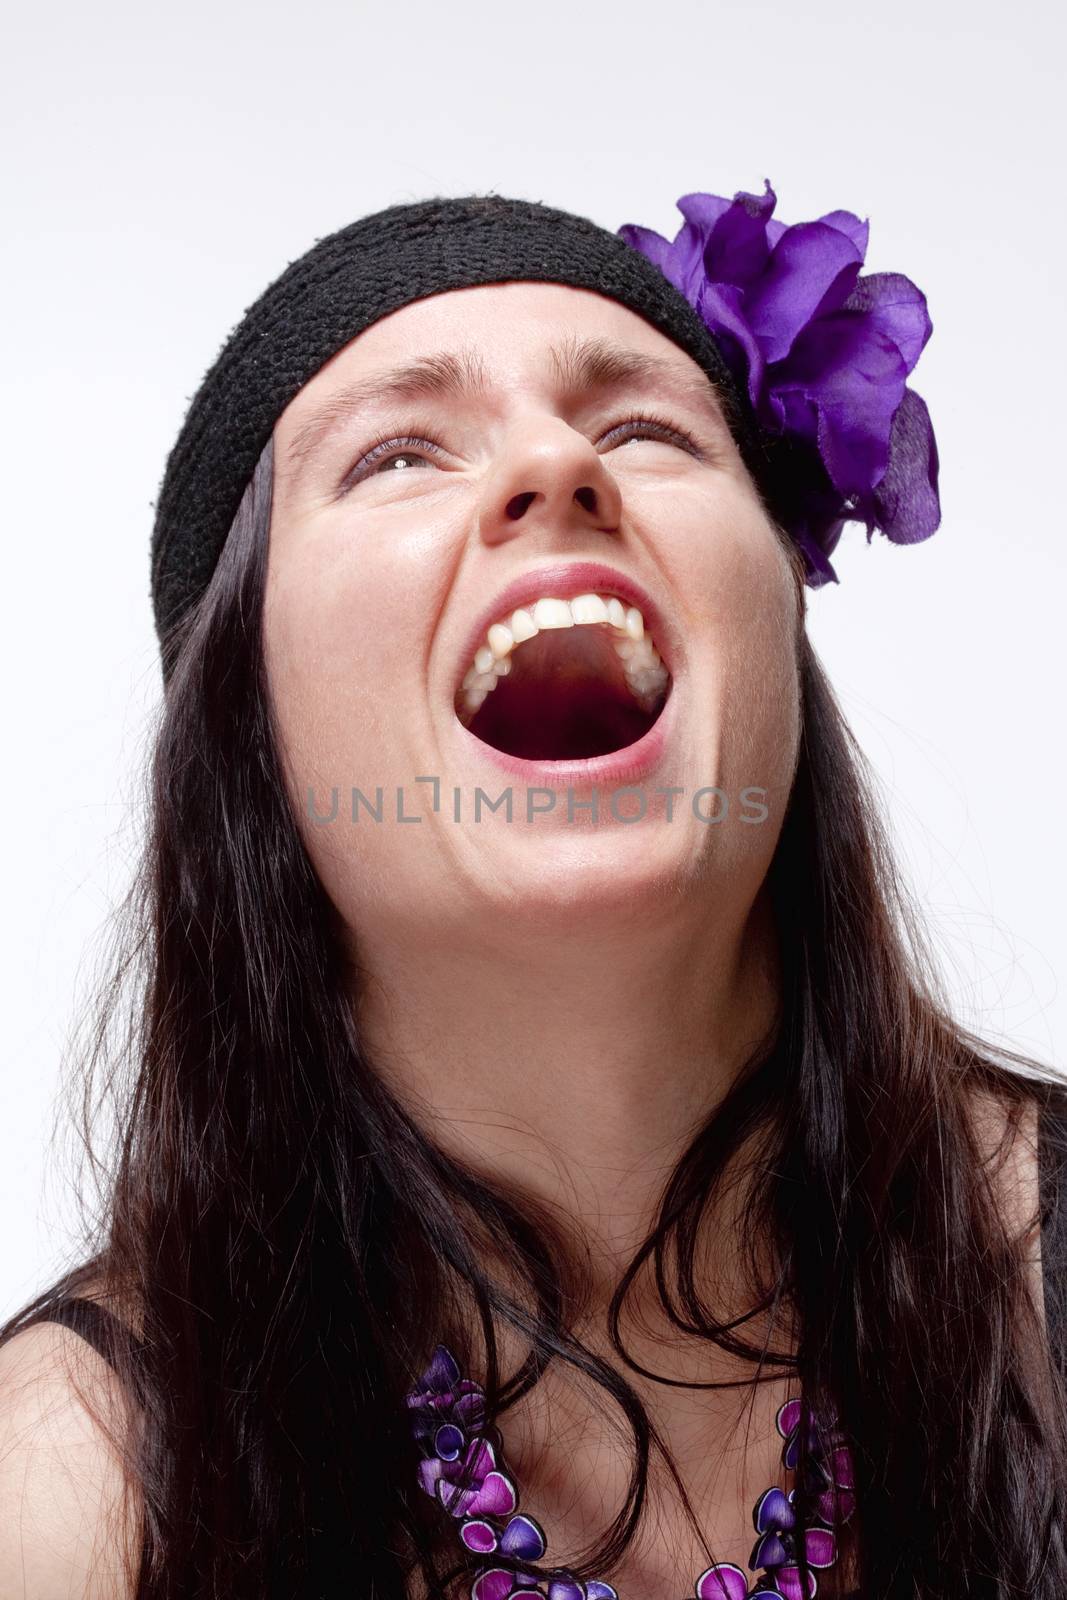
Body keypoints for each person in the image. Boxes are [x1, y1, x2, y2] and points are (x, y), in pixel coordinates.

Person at [1, 188, 1065, 1600]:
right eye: (396, 455)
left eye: (645, 429)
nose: (558, 464)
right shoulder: (65, 1495)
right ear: (243, 731)